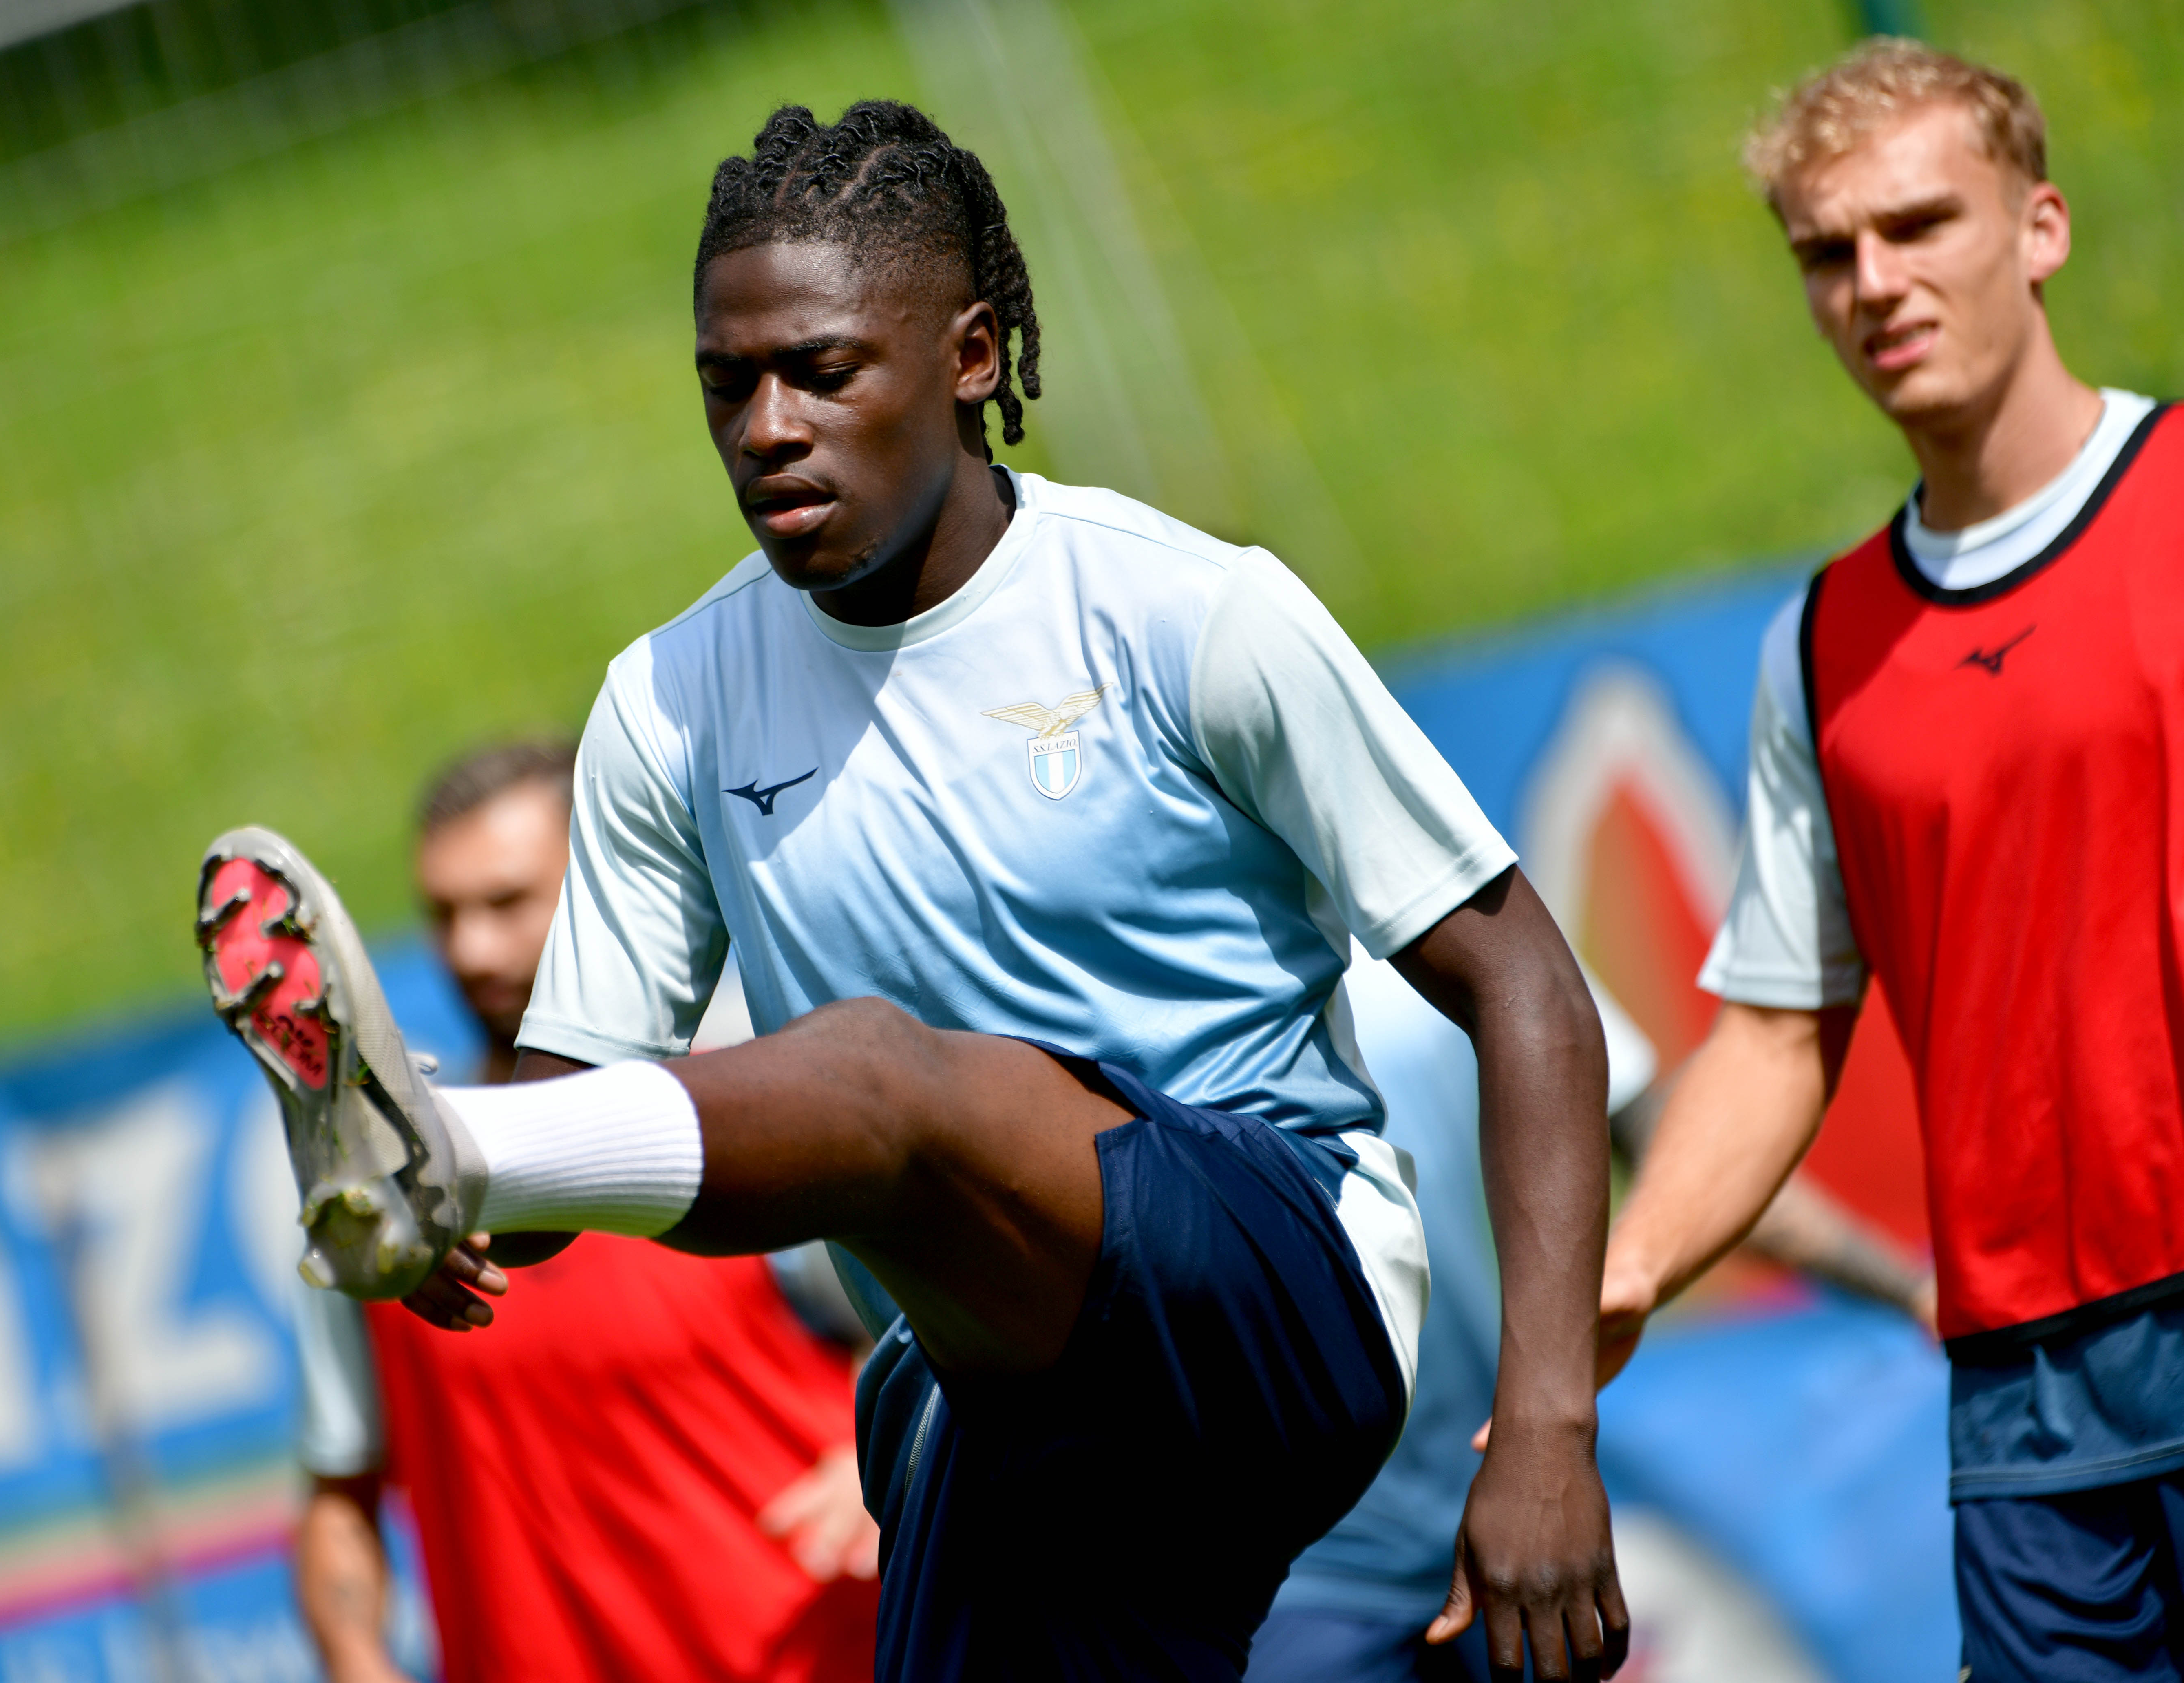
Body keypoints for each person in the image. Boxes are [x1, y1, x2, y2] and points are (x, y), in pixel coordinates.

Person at [202, 101, 1628, 1681]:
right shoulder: (672, 699)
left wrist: (1548, 1427)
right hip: (986, 1385)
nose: (765, 425)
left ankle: (435, 1145)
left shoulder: (1184, 613)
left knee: (876, 1071)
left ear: (966, 357)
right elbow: (585, 1118)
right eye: (725, 382)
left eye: (820, 371)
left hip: (1271, 1293)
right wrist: (478, 1211)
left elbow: (1528, 990)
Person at [1595, 41, 2184, 1682]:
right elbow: (1780, 1031)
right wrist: (1630, 1271)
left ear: (2042, 228)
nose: (1877, 283)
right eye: (1829, 252)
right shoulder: (1825, 645)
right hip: (2025, 1416)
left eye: (1922, 226)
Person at [285, 740, 881, 1683]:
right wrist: (357, 1657)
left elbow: (940, 1331)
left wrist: (877, 1463)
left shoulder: (741, 1115)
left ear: (605, 885)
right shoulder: (381, 1190)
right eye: (444, 913)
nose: (469, 949)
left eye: (507, 904)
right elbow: (338, 1494)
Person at [1250, 960, 1930, 1683]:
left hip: (1504, 1541)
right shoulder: (1171, 939)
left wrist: (1912, 1286)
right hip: (1283, 1578)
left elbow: (1688, 1160)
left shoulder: (1477, 919)